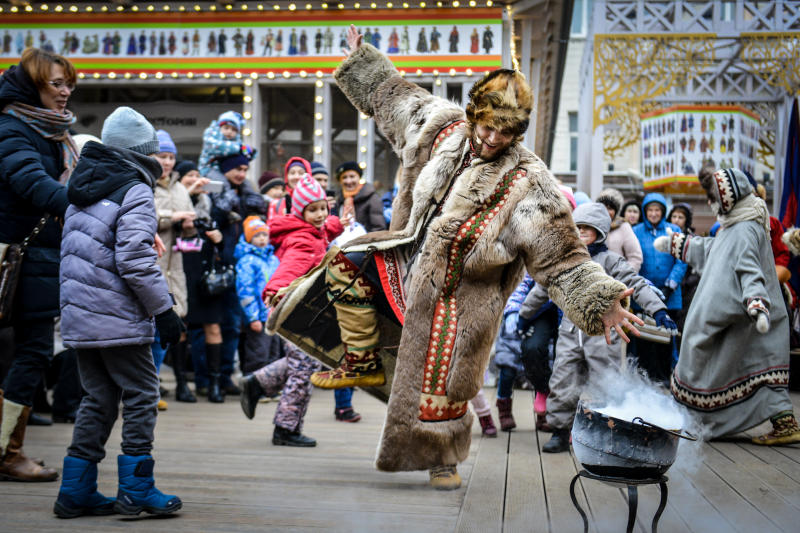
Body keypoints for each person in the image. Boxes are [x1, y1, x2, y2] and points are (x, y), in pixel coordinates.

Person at [267, 26, 641, 490]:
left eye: (504, 133)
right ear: (473, 115)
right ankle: (361, 358)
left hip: (463, 293)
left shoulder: (530, 180)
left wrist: (598, 298)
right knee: (347, 258)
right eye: (485, 126)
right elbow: (394, 95)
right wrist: (364, 61)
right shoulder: (440, 126)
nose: (490, 139)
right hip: (406, 259)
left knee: (446, 383)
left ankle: (443, 459)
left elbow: (561, 255)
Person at [53, 107, 184, 517]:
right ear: (143, 154)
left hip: (81, 316)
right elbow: (133, 259)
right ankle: (136, 487)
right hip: (118, 317)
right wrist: (164, 310)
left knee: (98, 398)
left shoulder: (82, 186)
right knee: (143, 393)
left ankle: (75, 490)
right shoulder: (135, 189)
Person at [658, 168, 800, 445]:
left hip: (748, 314)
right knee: (748, 365)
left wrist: (756, 301)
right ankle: (699, 421)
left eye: (713, 198)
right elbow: (713, 250)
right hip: (738, 314)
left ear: (727, 197)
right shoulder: (736, 223)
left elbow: (750, 267)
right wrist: (679, 244)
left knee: (727, 362)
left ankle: (700, 421)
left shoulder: (746, 227)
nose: (711, 204)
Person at [522, 203, 676, 453]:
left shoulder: (610, 260)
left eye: (588, 228)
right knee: (563, 380)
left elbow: (634, 283)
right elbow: (543, 286)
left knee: (608, 382)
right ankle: (561, 431)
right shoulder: (565, 260)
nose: (582, 232)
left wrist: (657, 309)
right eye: (578, 227)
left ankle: (607, 431)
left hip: (603, 334)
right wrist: (524, 315)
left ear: (601, 231)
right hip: (570, 331)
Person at [0, 47, 78, 482]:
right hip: (19, 258)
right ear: (33, 85)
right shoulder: (14, 127)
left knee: (31, 352)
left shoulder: (49, 131)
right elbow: (30, 182)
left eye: (69, 84)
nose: (65, 92)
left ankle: (8, 449)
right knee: (31, 352)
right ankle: (7, 454)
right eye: (57, 83)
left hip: (34, 257)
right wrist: (85, 203)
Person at [239, 176, 343, 446]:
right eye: (313, 210)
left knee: (304, 363)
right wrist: (274, 292)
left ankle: (258, 382)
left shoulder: (313, 230)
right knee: (303, 371)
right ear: (300, 213)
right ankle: (285, 429)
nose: (321, 215)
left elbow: (326, 229)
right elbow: (286, 273)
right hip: (298, 314)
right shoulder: (303, 242)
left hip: (308, 312)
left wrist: (338, 223)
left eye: (323, 208)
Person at [193, 149, 265, 402]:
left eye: (245, 170)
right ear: (226, 170)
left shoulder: (248, 195)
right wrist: (222, 210)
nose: (242, 174)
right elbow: (205, 223)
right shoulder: (212, 192)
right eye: (238, 169)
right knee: (209, 325)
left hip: (239, 269)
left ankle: (225, 376)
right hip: (215, 266)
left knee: (232, 325)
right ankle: (204, 378)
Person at [152, 130, 196, 407]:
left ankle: (153, 385)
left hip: (176, 266)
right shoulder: (144, 184)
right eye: (162, 156)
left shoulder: (180, 188)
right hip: (151, 264)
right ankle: (149, 386)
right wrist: (171, 216)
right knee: (150, 331)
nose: (167, 162)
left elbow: (189, 236)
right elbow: (143, 217)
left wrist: (190, 227)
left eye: (170, 157)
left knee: (169, 330)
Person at [631, 192, 686, 382]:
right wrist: (643, 287)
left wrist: (670, 285)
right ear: (645, 212)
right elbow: (633, 258)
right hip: (644, 295)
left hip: (670, 296)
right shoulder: (636, 231)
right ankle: (644, 381)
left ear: (663, 212)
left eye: (657, 210)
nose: (654, 214)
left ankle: (663, 380)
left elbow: (681, 260)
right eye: (650, 210)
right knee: (645, 341)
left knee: (665, 341)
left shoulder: (673, 229)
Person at [235, 216, 281, 374]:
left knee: (274, 353)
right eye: (257, 236)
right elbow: (245, 291)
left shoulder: (273, 259)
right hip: (259, 317)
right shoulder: (247, 261)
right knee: (258, 353)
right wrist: (253, 317)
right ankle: (253, 387)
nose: (262, 239)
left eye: (264, 235)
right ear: (249, 239)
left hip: (274, 316)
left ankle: (270, 388)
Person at [596, 188, 643, 272]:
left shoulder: (623, 227)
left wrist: (622, 277)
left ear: (616, 211)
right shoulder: (591, 225)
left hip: (617, 280)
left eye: (610, 208)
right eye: (603, 206)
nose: (606, 211)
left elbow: (635, 258)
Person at [334, 161, 386, 232]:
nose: (348, 181)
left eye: (352, 176)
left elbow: (378, 228)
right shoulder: (338, 199)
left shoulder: (372, 198)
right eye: (344, 177)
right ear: (340, 180)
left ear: (359, 177)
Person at [198, 110, 247, 176]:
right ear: (219, 127)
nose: (229, 131)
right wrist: (239, 148)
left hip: (226, 171)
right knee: (224, 184)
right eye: (226, 128)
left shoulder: (236, 142)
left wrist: (251, 151)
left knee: (246, 184)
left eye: (234, 130)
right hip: (209, 169)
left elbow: (246, 152)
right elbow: (218, 147)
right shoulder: (212, 135)